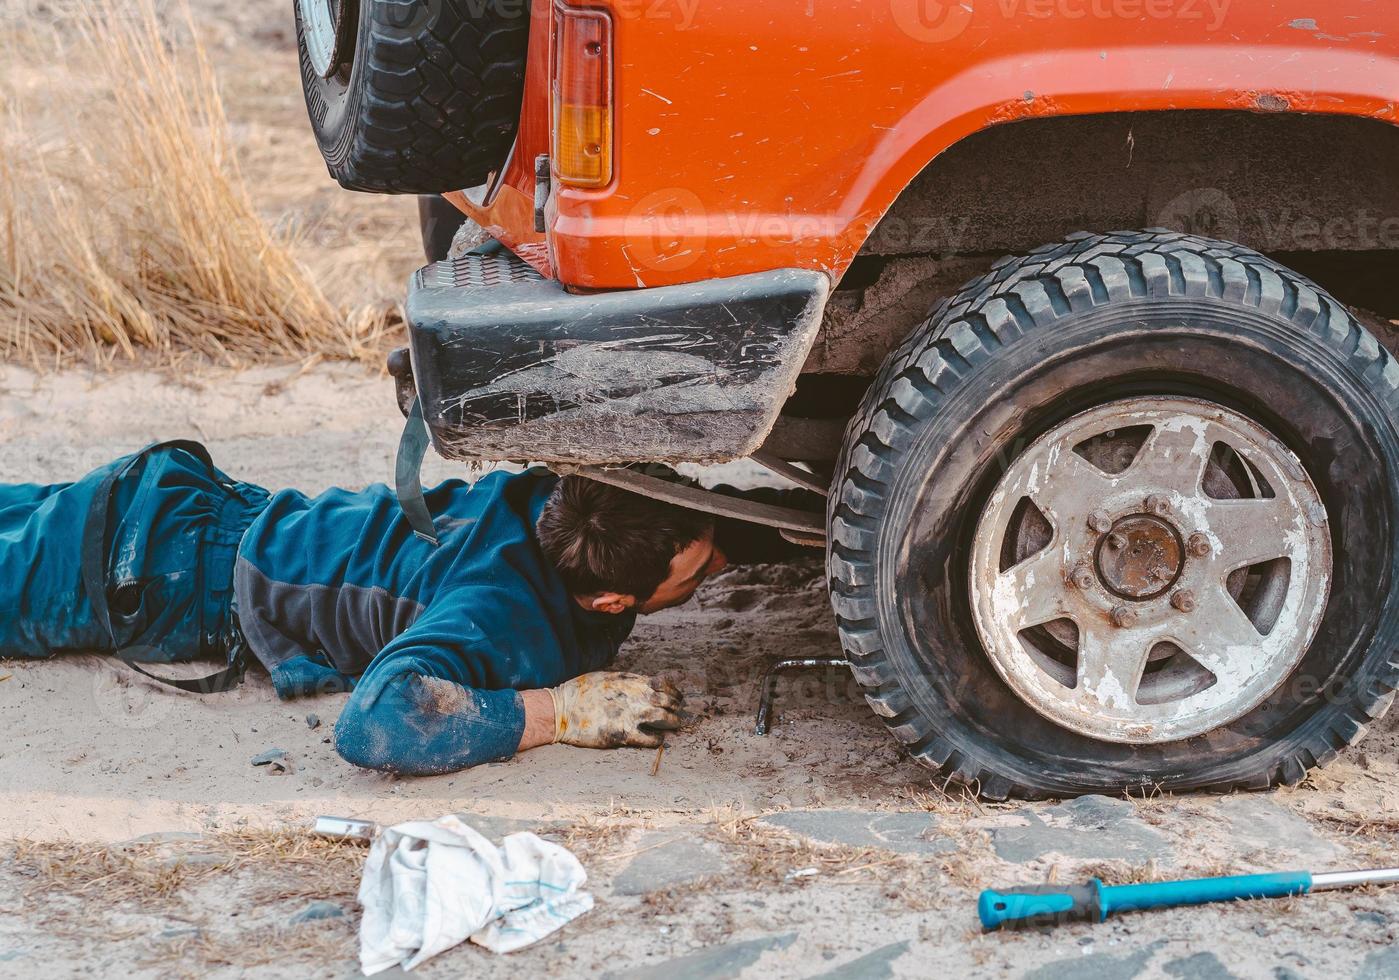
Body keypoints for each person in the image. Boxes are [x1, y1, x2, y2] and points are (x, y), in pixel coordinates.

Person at [0, 442, 804, 774]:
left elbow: (708, 521)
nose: (720, 562)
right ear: (608, 601)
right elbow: (373, 725)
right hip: (145, 573)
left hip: (183, 502)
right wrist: (554, 712)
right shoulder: (498, 616)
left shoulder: (554, 503)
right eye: (699, 572)